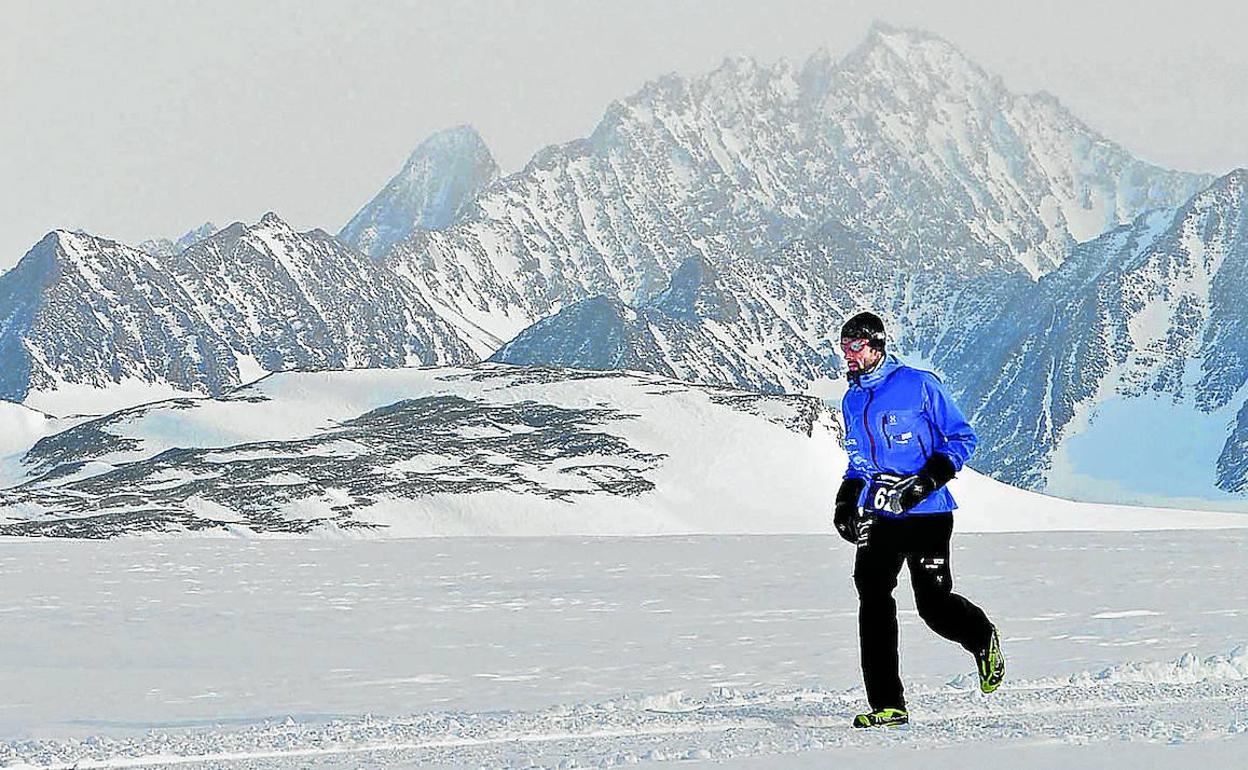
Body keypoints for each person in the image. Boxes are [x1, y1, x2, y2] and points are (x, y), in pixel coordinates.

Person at [832, 311, 1004, 728]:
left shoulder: (919, 385)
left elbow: (962, 438)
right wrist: (846, 502)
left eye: (856, 346)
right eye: (843, 347)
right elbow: (859, 461)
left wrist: (926, 482)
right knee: (872, 598)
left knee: (933, 606)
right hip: (880, 514)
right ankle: (888, 705)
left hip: (928, 514)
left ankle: (981, 636)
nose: (848, 355)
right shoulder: (852, 400)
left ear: (877, 346)